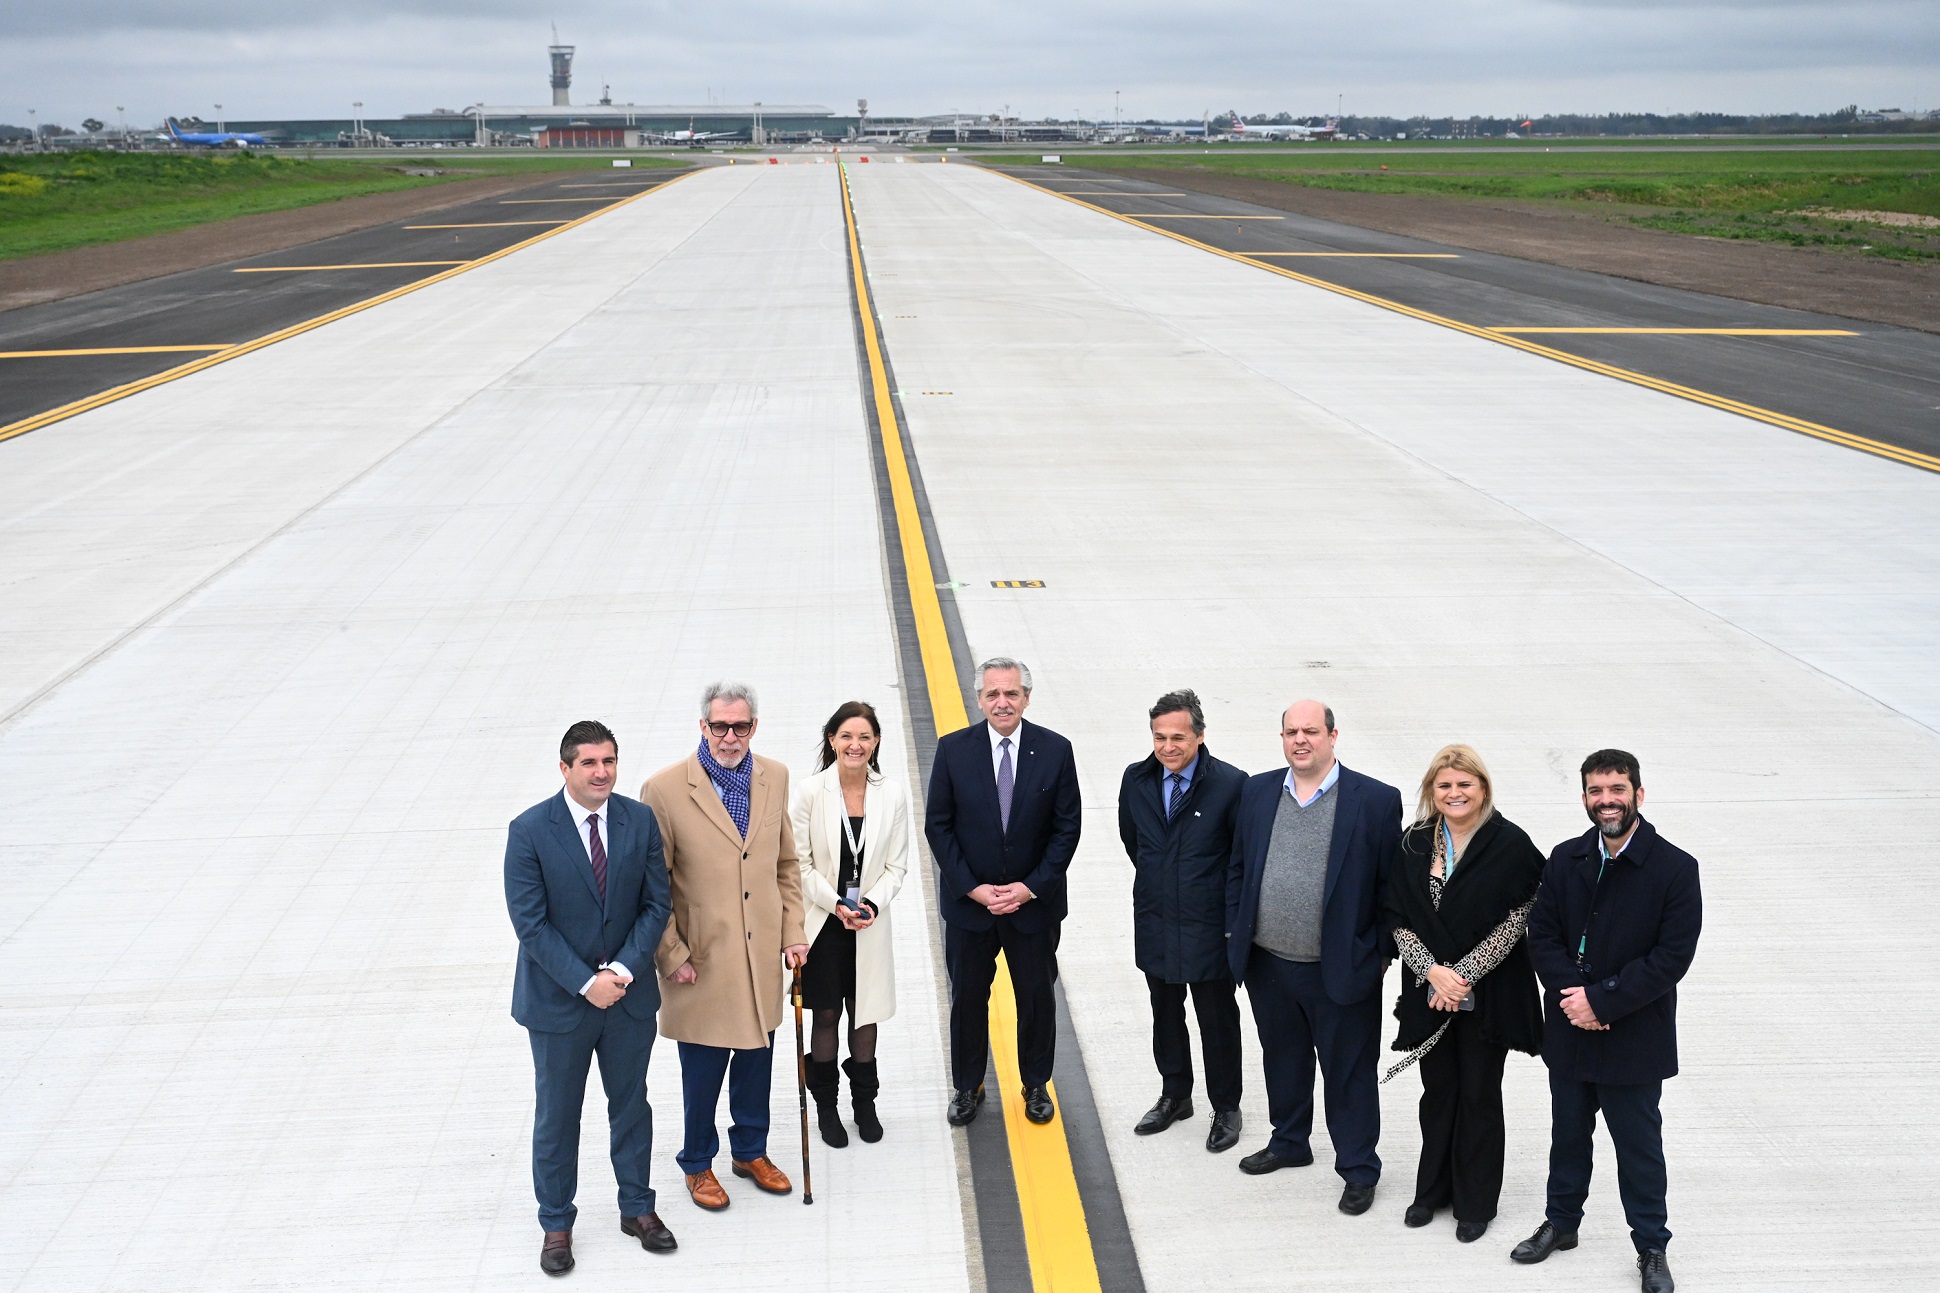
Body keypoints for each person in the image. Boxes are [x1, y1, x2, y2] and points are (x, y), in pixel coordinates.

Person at [1511, 750, 1701, 1293]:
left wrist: (1604, 1001)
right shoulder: (1566, 858)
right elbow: (1541, 935)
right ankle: (1561, 1224)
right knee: (1567, 1135)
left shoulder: (1675, 868)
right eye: (1596, 791)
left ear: (1638, 794)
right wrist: (1576, 999)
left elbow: (1672, 958)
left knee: (1638, 1146)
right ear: (1585, 798)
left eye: (1617, 789)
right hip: (1570, 1028)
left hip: (1635, 1036)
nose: (1607, 800)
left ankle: (1651, 1246)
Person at [504, 720, 676, 1275]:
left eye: (609, 761)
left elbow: (657, 904)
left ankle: (638, 1209)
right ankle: (557, 1224)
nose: (602, 772)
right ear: (565, 769)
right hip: (559, 1004)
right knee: (558, 1115)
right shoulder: (529, 830)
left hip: (627, 998)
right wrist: (586, 982)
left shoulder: (639, 819)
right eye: (589, 763)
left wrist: (622, 970)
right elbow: (531, 926)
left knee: (631, 1106)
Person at [1226, 700, 1401, 1215]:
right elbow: (1238, 868)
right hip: (1269, 961)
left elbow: (1392, 889)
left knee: (1348, 1072)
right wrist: (1238, 933)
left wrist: (1376, 956)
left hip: (1341, 969)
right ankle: (1289, 1142)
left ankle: (1358, 1168)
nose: (1300, 740)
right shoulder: (1257, 791)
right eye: (1290, 732)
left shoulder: (1374, 799)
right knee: (1283, 1059)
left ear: (1332, 735)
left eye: (1310, 731)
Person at [640, 683, 809, 1211]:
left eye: (740, 727)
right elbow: (652, 885)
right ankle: (697, 1162)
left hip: (760, 956)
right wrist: (671, 954)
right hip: (702, 958)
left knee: (758, 1056)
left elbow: (785, 863)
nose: (730, 737)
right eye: (720, 726)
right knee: (704, 1068)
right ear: (703, 727)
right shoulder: (664, 790)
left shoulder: (774, 776)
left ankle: (750, 1150)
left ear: (753, 727)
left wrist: (794, 931)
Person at [1381, 744, 1544, 1244]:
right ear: (1432, 791)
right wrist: (1433, 972)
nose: (1455, 793)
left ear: (1483, 789)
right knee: (1438, 1093)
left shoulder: (1510, 843)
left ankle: (1475, 1203)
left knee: (1478, 1093)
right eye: (1444, 785)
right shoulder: (1412, 844)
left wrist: (1464, 974)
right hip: (1430, 992)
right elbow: (1395, 916)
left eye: (1464, 784)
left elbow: (1523, 915)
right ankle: (1431, 1191)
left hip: (1486, 995)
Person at [926, 657, 1081, 1128]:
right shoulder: (953, 750)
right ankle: (968, 1085)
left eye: (1011, 693)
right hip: (971, 907)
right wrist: (972, 889)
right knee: (968, 999)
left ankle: (1036, 1084)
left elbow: (1066, 828)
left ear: (1026, 697)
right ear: (979, 699)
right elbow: (939, 826)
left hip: (1032, 908)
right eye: (992, 694)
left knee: (1036, 998)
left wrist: (1030, 888)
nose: (1002, 702)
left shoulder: (1055, 750)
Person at [1117, 688, 1249, 1152]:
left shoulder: (1232, 785)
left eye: (1178, 737)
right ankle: (1176, 1095)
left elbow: (1241, 860)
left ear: (1200, 735)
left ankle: (1226, 1107)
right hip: (1156, 919)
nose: (1168, 747)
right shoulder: (1136, 780)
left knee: (1216, 1019)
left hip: (1208, 926)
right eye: (1159, 738)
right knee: (1164, 1013)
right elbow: (1134, 844)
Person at [791, 700, 914, 1148]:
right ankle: (827, 1106)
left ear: (876, 741)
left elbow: (896, 867)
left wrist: (871, 907)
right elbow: (799, 865)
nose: (855, 745)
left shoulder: (892, 793)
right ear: (832, 740)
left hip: (868, 924)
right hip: (823, 923)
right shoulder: (809, 792)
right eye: (846, 736)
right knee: (825, 1013)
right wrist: (837, 903)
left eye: (864, 737)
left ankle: (865, 1103)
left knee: (865, 1016)